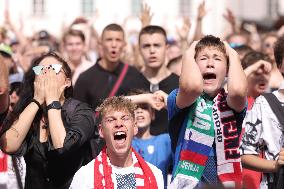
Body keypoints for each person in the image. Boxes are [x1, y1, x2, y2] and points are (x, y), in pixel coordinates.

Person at [0, 52, 99, 189]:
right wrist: (37, 101)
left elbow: (63, 146)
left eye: (54, 69)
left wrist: (52, 100)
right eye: (41, 70)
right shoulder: (28, 111)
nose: (47, 74)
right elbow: (9, 145)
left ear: (67, 81)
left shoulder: (81, 112)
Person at [167, 35, 247, 188]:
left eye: (217, 59)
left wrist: (233, 54)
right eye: (203, 59)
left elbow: (237, 90)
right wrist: (189, 53)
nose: (210, 64)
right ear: (193, 66)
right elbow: (192, 87)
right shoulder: (179, 98)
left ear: (228, 69)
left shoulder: (231, 102)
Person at [70, 96, 164, 188]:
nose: (119, 124)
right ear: (101, 131)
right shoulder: (85, 177)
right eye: (111, 120)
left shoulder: (155, 175)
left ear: (135, 127)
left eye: (125, 118)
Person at [240, 35, 284, 189]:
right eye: (256, 72)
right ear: (280, 65)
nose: (262, 77)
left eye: (265, 72)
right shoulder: (263, 104)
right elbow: (245, 154)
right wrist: (275, 165)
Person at [74, 23, 147, 111]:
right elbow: (78, 116)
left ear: (124, 44)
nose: (114, 45)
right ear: (100, 43)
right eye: (109, 40)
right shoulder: (85, 78)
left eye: (118, 40)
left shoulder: (134, 75)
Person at [138, 25, 179, 135]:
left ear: (166, 48)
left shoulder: (179, 84)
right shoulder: (130, 81)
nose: (152, 50)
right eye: (146, 46)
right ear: (139, 49)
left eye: (157, 45)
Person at [126, 89, 172, 187]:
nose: (139, 111)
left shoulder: (165, 141)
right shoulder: (122, 142)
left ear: (153, 114)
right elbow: (108, 107)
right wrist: (146, 98)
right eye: (134, 108)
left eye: (144, 107)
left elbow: (186, 118)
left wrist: (169, 101)